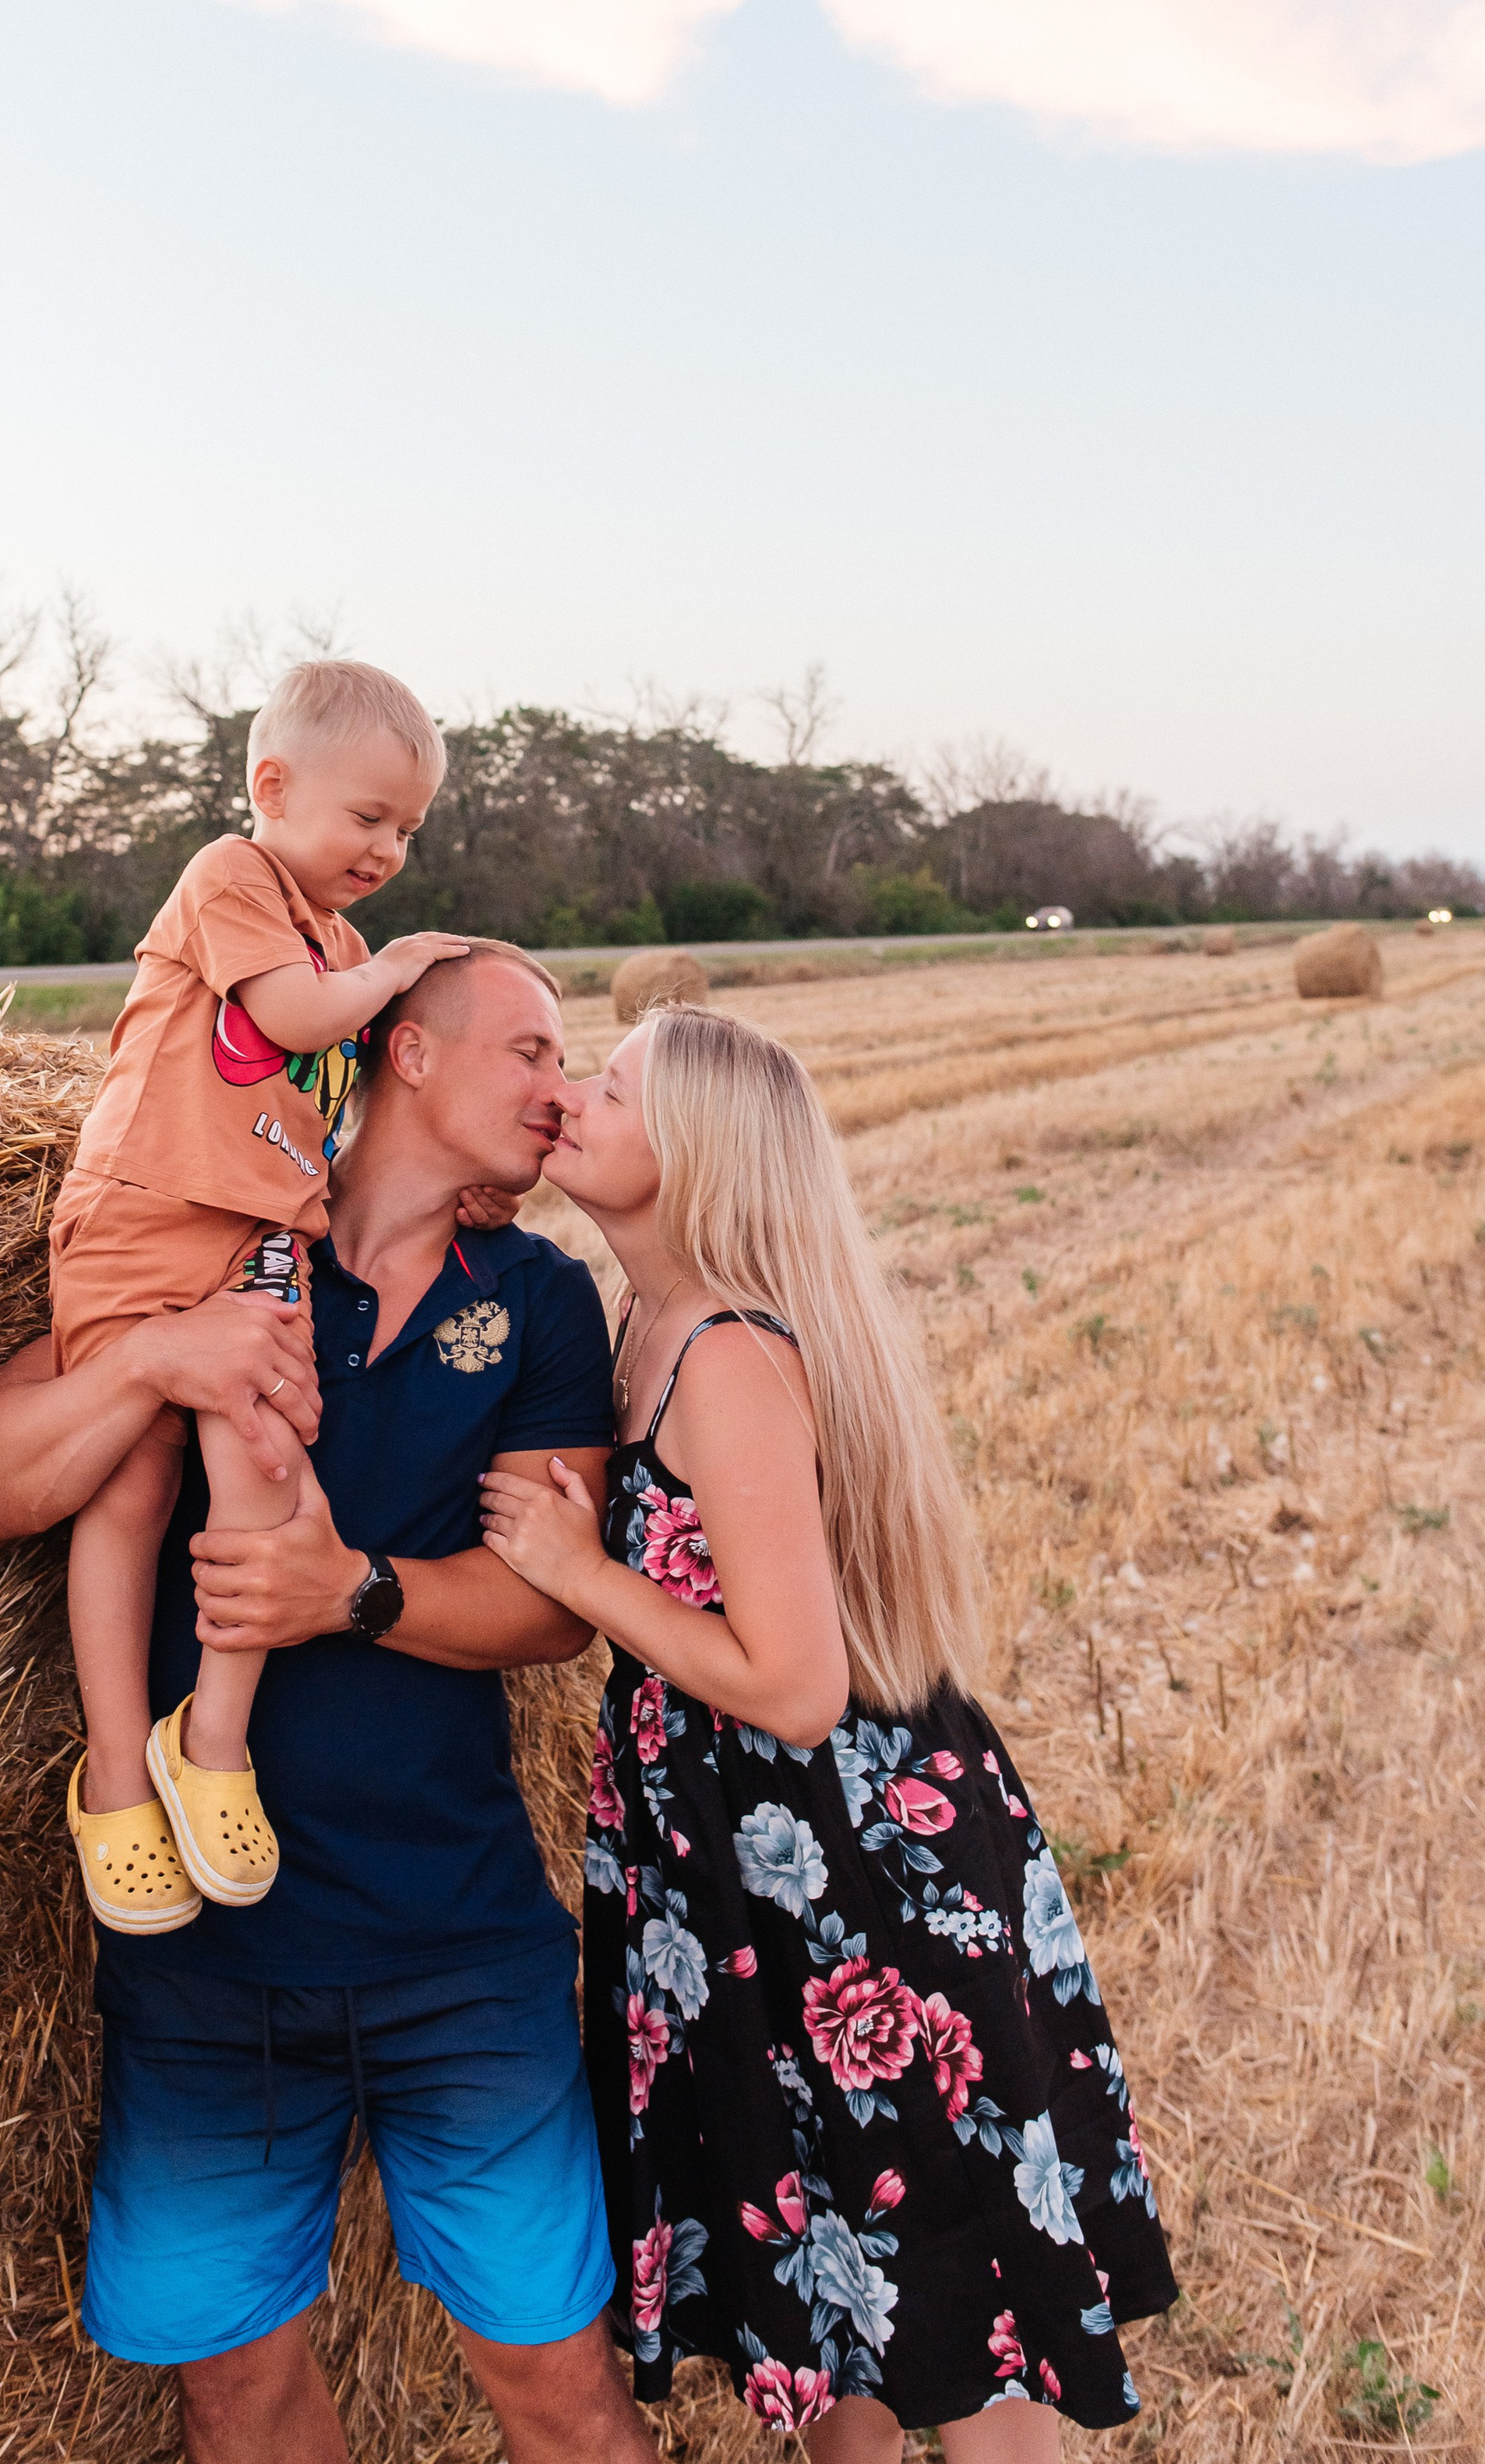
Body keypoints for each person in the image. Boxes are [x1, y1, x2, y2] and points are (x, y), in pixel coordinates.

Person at [0, 944, 660, 2464]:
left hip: (456, 1940)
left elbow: (550, 1608)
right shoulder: (217, 1242)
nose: (557, 1088)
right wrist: (156, 1356)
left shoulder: (538, 1302)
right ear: (403, 1050)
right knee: (236, 2386)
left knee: (558, 2391)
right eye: (526, 1048)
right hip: (208, 1964)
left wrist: (356, 1592)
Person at [480, 1004, 1177, 2459]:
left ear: (700, 1156)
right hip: (743, 1862)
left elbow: (795, 1686)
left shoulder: (728, 1358)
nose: (574, 1100)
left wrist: (582, 1575)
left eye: (612, 1087)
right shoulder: (646, 1321)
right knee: (824, 2281)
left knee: (958, 2281)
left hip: (855, 1868)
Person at [50, 656, 473, 1931]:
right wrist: (396, 969)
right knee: (125, 1477)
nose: (389, 848)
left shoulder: (342, 942)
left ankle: (212, 1736)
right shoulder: (232, 881)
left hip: (258, 1243)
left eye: (409, 829)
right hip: (143, 1217)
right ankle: (116, 1767)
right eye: (369, 818)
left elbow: (338, 1109)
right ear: (273, 787)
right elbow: (291, 1021)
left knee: (267, 1462)